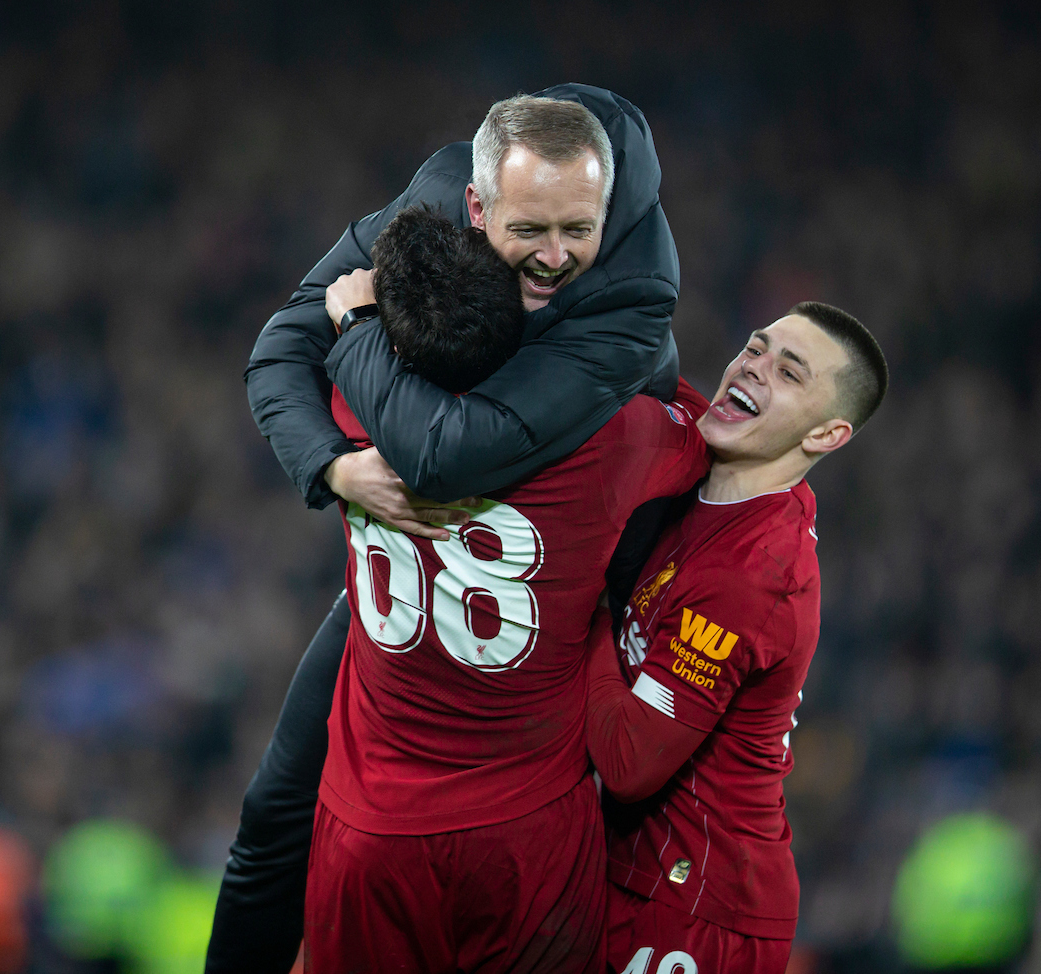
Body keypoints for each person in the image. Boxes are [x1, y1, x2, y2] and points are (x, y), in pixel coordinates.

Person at [208, 86, 680, 974]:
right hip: (423, 582)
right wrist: (335, 469)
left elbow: (445, 459)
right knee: (276, 814)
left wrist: (356, 331)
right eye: (528, 230)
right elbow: (278, 347)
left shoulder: (634, 295)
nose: (554, 257)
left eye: (578, 228)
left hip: (567, 598)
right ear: (474, 204)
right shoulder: (427, 201)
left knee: (607, 825)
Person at [306, 205, 710, 972]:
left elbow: (371, 356)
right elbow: (705, 435)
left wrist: (357, 320)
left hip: (372, 826)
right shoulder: (615, 439)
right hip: (526, 834)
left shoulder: (353, 411)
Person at [584, 303, 889, 974]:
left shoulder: (752, 573)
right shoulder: (712, 455)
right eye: (756, 348)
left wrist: (582, 608)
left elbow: (629, 761)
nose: (754, 367)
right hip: (634, 873)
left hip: (694, 910)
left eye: (789, 371)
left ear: (826, 434)